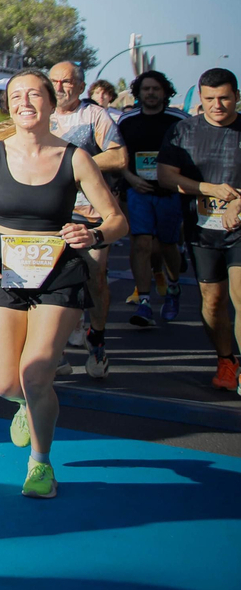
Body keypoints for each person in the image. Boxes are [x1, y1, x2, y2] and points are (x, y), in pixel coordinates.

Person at [0, 70, 126, 498]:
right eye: (16, 95)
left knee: (36, 373)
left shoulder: (75, 158)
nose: (24, 101)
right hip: (5, 272)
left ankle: (40, 463)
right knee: (4, 383)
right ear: (9, 106)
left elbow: (117, 221)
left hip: (59, 275)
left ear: (52, 105)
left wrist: (93, 235)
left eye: (34, 94)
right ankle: (24, 405)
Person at [158, 67, 241, 392]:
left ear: (236, 96)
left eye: (224, 98)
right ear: (201, 97)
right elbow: (167, 176)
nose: (217, 105)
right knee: (212, 299)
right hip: (203, 229)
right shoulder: (183, 132)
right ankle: (226, 360)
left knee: (239, 293)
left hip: (240, 228)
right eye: (210, 99)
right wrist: (209, 189)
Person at [48, 61, 126, 378]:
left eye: (66, 82)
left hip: (91, 215)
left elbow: (119, 156)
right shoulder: (41, 115)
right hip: (52, 213)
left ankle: (96, 339)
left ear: (80, 86)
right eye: (53, 81)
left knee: (94, 277)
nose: (59, 87)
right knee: (51, 281)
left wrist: (79, 164)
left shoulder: (94, 115)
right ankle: (56, 351)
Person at [118, 70, 188, 328]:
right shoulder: (127, 120)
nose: (150, 93)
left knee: (167, 245)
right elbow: (117, 156)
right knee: (141, 243)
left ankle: (173, 288)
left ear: (165, 92)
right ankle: (144, 301)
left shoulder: (179, 120)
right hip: (138, 190)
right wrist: (131, 179)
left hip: (170, 192)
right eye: (146, 89)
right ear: (138, 93)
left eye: (155, 89)